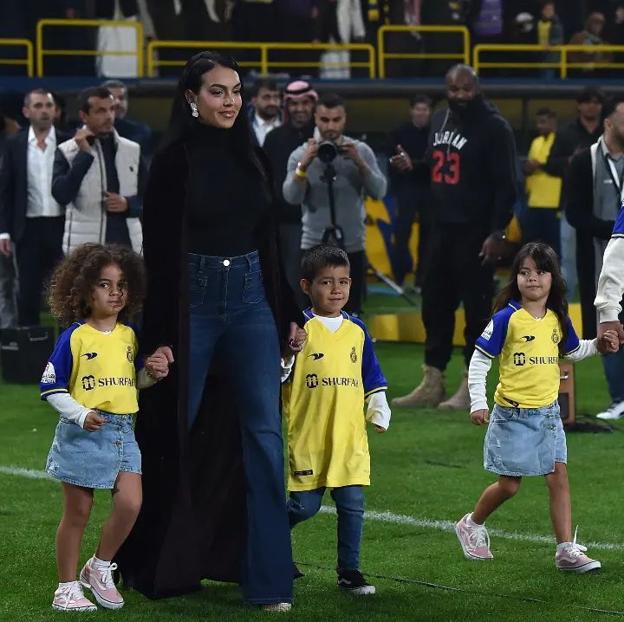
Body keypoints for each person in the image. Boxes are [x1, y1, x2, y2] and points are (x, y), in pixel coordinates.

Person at [114, 51, 298, 612]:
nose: (232, 101)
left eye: (236, 91)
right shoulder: (173, 160)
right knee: (174, 428)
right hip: (190, 302)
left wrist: (288, 310)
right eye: (219, 92)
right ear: (191, 97)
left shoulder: (253, 153)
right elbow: (160, 255)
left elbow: (269, 238)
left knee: (266, 439)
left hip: (250, 302)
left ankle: (267, 578)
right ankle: (156, 561)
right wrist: (157, 335)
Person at [456, 242, 618, 571]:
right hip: (512, 416)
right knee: (510, 485)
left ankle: (565, 551)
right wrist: (477, 401)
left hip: (548, 415)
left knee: (558, 476)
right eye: (525, 272)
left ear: (552, 278)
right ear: (515, 278)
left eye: (541, 272)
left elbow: (572, 351)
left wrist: (599, 345)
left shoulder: (558, 318)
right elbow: (480, 360)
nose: (533, 279)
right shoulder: (506, 318)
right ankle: (471, 524)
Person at [40, 243, 170, 612]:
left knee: (131, 503)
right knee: (78, 513)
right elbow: (51, 387)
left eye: (122, 285)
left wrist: (151, 374)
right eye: (104, 284)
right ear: (82, 290)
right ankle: (65, 588)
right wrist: (80, 414)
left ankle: (98, 567)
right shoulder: (75, 337)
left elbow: (130, 382)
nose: (115, 292)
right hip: (84, 432)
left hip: (124, 432)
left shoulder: (130, 336)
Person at [393, 64, 517, 411]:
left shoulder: (495, 127)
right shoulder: (439, 119)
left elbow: (507, 186)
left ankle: (471, 384)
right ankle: (433, 379)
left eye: (465, 89)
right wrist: (413, 166)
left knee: (477, 308)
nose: (459, 95)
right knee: (434, 305)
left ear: (477, 88)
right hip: (438, 229)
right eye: (453, 89)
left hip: (476, 233)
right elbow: (438, 165)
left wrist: (498, 232)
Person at [282, 245, 390, 595]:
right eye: (326, 282)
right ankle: (269, 547)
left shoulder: (357, 331)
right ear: (306, 285)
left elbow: (372, 376)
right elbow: (279, 376)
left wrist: (379, 406)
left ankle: (350, 571)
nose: (336, 289)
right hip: (310, 436)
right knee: (303, 506)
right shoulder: (298, 330)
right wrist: (286, 355)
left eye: (343, 281)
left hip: (349, 438)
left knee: (352, 507)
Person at [283, 92, 387, 315]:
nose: (330, 126)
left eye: (336, 120)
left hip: (351, 246)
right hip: (313, 245)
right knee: (309, 314)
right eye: (324, 120)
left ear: (345, 119)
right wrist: (304, 166)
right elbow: (291, 197)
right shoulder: (301, 154)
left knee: (351, 313)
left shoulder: (361, 151)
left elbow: (379, 191)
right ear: (315, 118)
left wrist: (360, 163)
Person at [567, 97, 624, 420]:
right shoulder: (582, 161)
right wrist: (612, 229)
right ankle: (619, 397)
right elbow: (574, 214)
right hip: (598, 258)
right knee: (609, 322)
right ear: (608, 123)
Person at [0, 89, 70, 326]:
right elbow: (6, 190)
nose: (44, 110)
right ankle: (29, 352)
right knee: (27, 292)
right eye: (38, 105)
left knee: (66, 290)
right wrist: (4, 231)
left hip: (62, 225)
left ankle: (68, 350)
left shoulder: (68, 142)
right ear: (26, 111)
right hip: (27, 228)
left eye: (48, 106)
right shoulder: (14, 144)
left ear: (55, 111)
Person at [52, 87, 146, 255]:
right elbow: (61, 195)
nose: (109, 116)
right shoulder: (67, 151)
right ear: (83, 116)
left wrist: (128, 204)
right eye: (100, 111)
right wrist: (84, 156)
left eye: (112, 109)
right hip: (85, 251)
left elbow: (151, 197)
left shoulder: (132, 150)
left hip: (127, 248)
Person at [544, 86, 605, 299]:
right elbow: (550, 164)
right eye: (587, 101)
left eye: (596, 102)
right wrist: (571, 161)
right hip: (573, 204)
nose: (592, 106)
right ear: (579, 105)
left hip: (605, 207)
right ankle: (565, 309)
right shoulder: (567, 133)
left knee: (606, 261)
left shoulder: (610, 131)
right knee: (568, 261)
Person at [263, 79, 318, 307]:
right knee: (291, 282)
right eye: (294, 104)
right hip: (286, 223)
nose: (300, 109)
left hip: (319, 222)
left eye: (305, 103)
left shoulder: (323, 136)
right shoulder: (274, 138)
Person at [386, 94, 432, 289]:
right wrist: (400, 165)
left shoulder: (435, 134)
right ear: (411, 110)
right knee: (402, 232)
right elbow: (391, 161)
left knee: (428, 236)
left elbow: (435, 163)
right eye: (418, 109)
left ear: (429, 112)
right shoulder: (400, 133)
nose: (421, 113)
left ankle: (423, 280)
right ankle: (400, 276)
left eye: (425, 109)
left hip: (430, 191)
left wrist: (412, 164)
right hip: (406, 190)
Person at [522, 107, 561, 255]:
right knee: (531, 245)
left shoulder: (559, 140)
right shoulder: (536, 141)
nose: (539, 126)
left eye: (543, 122)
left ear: (553, 121)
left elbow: (558, 165)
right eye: (538, 122)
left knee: (553, 247)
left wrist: (539, 165)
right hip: (533, 200)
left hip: (552, 202)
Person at [101, 79, 153, 159]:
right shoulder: (84, 132)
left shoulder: (140, 131)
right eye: (111, 98)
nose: (117, 102)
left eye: (121, 98)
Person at [249, 78, 282, 147]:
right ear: (254, 101)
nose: (272, 102)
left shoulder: (289, 124)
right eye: (266, 97)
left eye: (276, 97)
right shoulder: (243, 127)